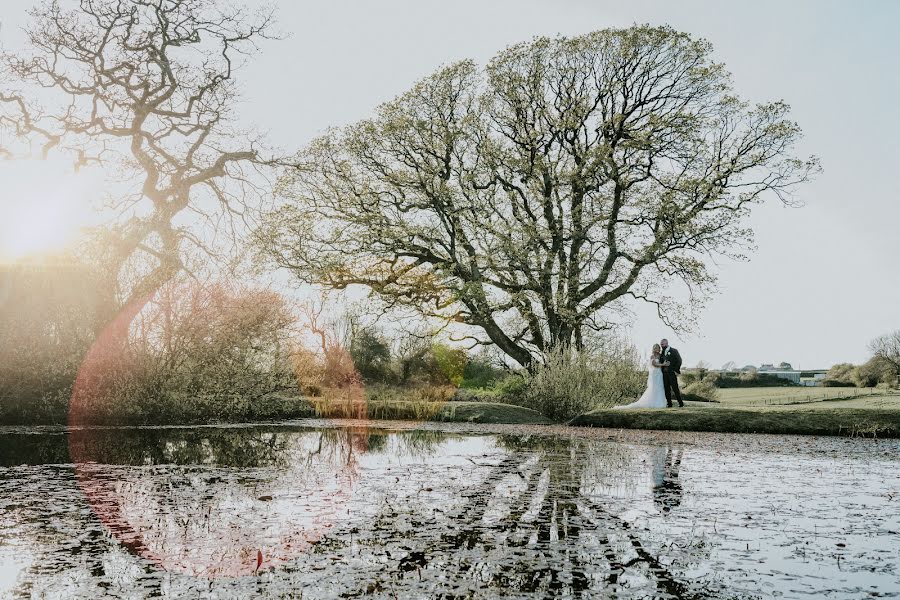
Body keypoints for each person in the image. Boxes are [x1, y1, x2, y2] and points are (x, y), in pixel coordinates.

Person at [614, 344, 668, 409]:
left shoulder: (660, 355)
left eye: (658, 348)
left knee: (660, 386)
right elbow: (654, 364)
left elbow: (663, 359)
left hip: (659, 373)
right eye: (656, 348)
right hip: (654, 373)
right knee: (654, 387)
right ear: (653, 349)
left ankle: (660, 402)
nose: (657, 349)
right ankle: (652, 402)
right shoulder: (652, 356)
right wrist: (663, 364)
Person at [660, 339, 683, 408]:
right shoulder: (662, 352)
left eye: (662, 344)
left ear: (666, 343)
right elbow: (661, 362)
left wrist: (675, 370)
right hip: (664, 374)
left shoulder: (674, 351)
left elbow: (679, 361)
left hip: (672, 373)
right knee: (666, 389)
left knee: (675, 388)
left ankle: (680, 403)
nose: (661, 346)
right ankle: (669, 403)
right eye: (661, 344)